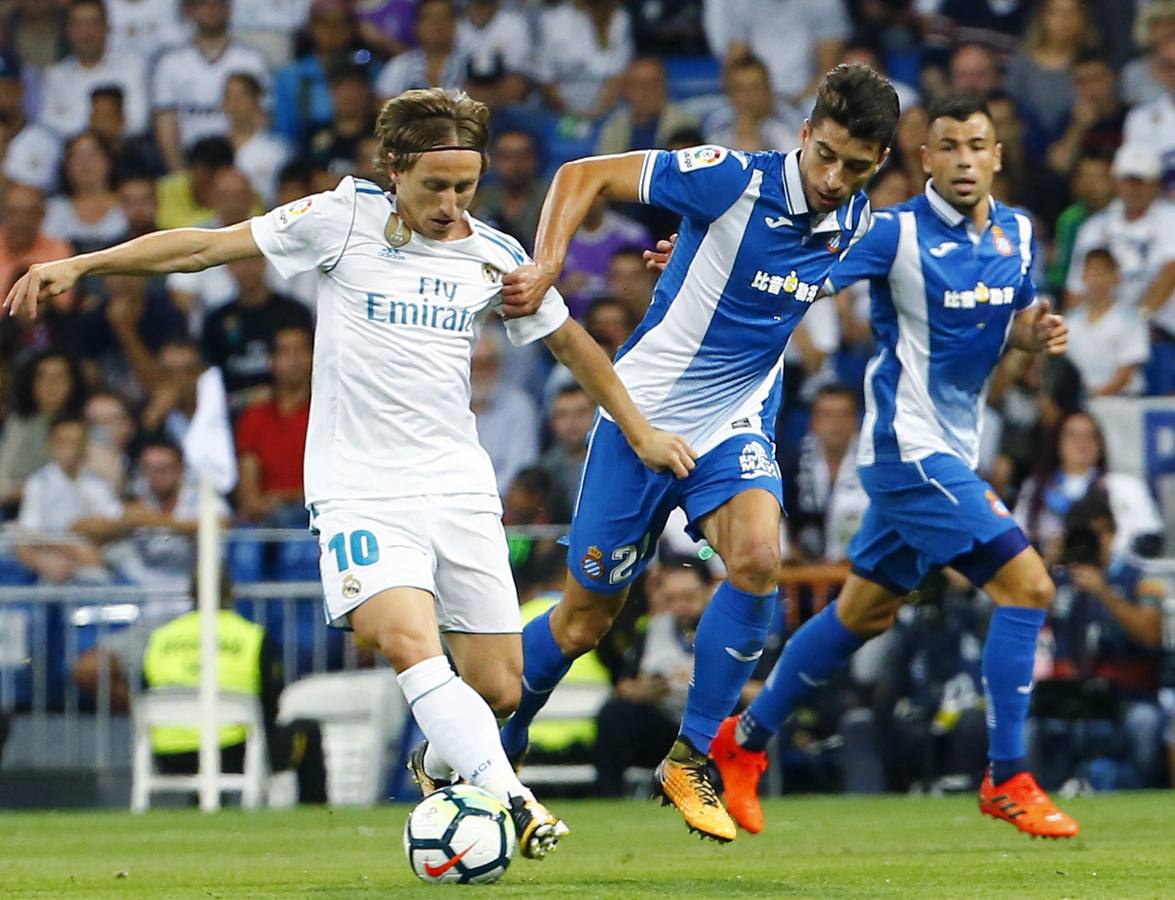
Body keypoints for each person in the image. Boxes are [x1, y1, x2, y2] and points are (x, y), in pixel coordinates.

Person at [6, 87, 694, 858]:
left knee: (500, 687)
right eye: (435, 185)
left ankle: (442, 762)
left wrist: (641, 431)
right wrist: (87, 263)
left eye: (465, 186)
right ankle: (513, 800)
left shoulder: (493, 255)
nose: (451, 202)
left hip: (458, 488)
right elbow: (206, 246)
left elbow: (573, 347)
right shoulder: (340, 219)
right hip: (359, 490)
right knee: (407, 641)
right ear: (394, 168)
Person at [497, 63, 898, 842]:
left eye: (856, 167)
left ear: (877, 163)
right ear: (807, 132)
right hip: (638, 415)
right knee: (583, 623)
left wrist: (692, 262)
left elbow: (771, 282)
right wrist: (548, 263)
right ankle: (495, 731)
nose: (834, 178)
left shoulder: (853, 221)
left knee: (755, 561)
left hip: (734, 421)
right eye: (828, 156)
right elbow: (583, 173)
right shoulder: (728, 179)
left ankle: (693, 757)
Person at [697, 95, 1080, 840]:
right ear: (923, 158)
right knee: (1028, 585)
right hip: (908, 450)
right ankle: (1008, 778)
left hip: (946, 451)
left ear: (996, 155)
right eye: (947, 145)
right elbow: (799, 270)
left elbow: (1015, 322)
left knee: (859, 614)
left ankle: (739, 746)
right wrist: (707, 264)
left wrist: (1040, 332)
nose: (963, 158)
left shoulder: (1018, 232)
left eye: (976, 144)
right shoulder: (893, 234)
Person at [1032, 494, 1167, 791]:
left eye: (1102, 532)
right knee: (1030, 725)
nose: (1097, 542)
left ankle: (1138, 797)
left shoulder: (1137, 577)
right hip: (1070, 695)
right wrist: (1045, 566)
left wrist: (1105, 593)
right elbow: (1020, 616)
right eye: (1087, 535)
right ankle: (1042, 797)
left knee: (1145, 724)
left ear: (1114, 533)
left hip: (1127, 698)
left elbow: (1152, 636)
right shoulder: (1058, 582)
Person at [593, 560, 711, 796]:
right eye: (672, 599)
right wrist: (643, 690)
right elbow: (624, 685)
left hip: (715, 725)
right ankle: (607, 796)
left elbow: (762, 690)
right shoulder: (652, 630)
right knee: (615, 713)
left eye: (688, 597)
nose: (680, 607)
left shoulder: (735, 632)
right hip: (666, 721)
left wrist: (707, 684)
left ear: (709, 590)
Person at [1014, 410, 1164, 564]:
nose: (1082, 442)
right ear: (1057, 442)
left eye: (1090, 435)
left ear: (1100, 444)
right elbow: (1016, 541)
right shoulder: (1035, 487)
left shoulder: (1126, 486)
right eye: (1072, 435)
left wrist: (1112, 551)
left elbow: (1151, 539)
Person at [37, 0, 150, 140]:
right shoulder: (54, 76)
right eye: (79, 24)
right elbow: (49, 126)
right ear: (68, 31)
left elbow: (137, 122)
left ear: (107, 27)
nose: (87, 32)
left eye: (94, 23)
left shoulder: (132, 66)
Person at [235, 324, 312, 527]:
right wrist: (256, 504)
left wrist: (285, 497)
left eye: (301, 350)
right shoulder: (254, 415)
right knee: (245, 548)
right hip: (265, 516)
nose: (294, 359)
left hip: (312, 513)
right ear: (272, 361)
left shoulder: (328, 414)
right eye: (285, 351)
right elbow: (248, 484)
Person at [1064, 249, 1149, 398]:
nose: (1097, 280)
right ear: (1083, 277)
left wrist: (1097, 396)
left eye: (1103, 273)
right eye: (1092, 273)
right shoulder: (1070, 321)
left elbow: (1127, 370)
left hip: (1122, 400)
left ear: (1116, 277)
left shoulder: (1131, 319)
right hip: (1077, 403)